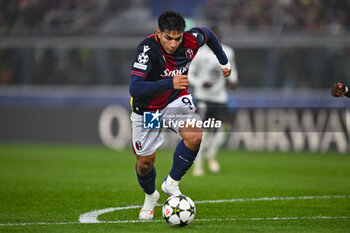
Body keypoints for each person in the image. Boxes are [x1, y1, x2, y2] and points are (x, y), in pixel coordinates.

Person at [129, 11, 232, 220]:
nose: (173, 44)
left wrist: (224, 62)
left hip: (175, 101)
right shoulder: (147, 50)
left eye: (177, 38)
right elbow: (135, 87)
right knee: (145, 163)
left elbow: (209, 36)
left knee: (195, 136)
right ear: (158, 33)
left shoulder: (191, 40)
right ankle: (151, 196)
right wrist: (170, 82)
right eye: (168, 38)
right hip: (148, 109)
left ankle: (172, 182)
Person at [188, 26, 238, 176]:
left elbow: (231, 68)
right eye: (212, 36)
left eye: (218, 35)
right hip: (203, 97)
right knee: (202, 132)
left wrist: (234, 80)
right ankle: (198, 165)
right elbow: (189, 73)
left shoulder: (228, 52)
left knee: (223, 130)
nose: (216, 39)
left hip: (220, 97)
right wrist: (199, 84)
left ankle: (211, 154)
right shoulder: (199, 54)